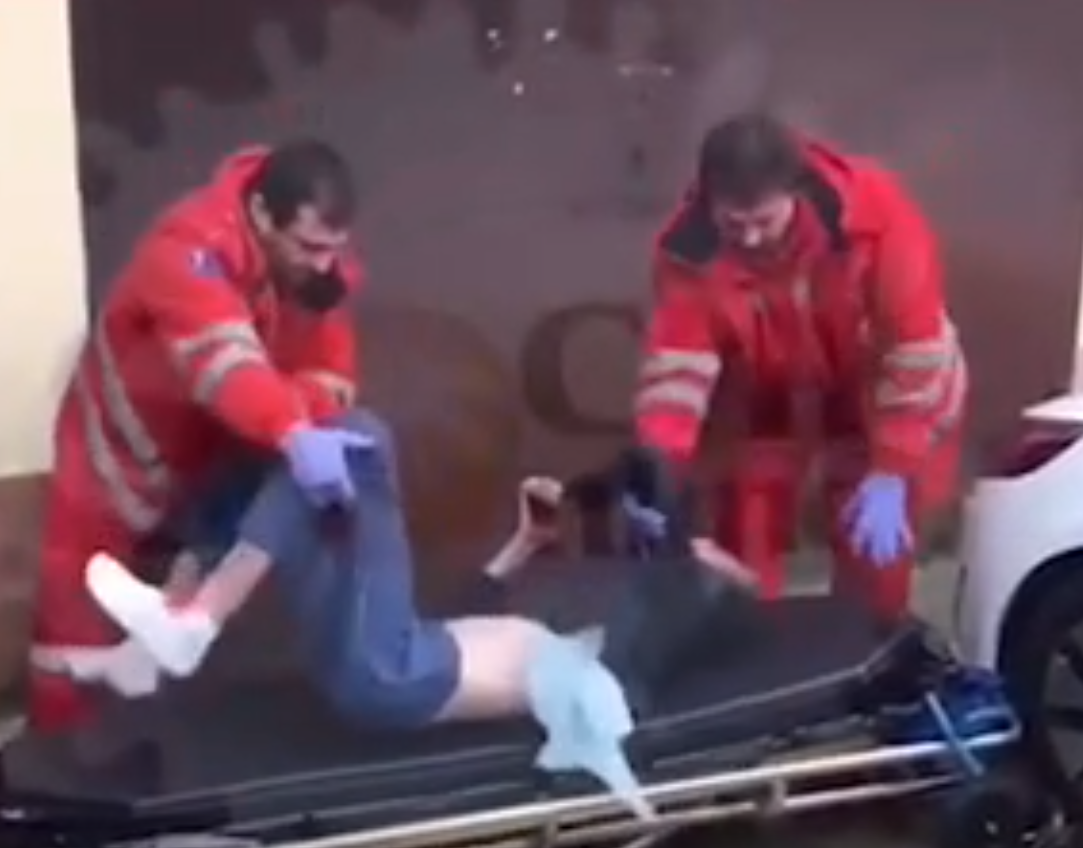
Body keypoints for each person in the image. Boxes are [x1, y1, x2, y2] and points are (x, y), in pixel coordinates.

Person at [84, 413, 753, 728]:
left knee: (360, 444)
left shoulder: (614, 663)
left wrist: (692, 552)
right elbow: (459, 623)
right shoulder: (575, 617)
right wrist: (523, 545)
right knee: (289, 462)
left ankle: (192, 624)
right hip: (393, 658)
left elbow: (728, 591)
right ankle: (168, 632)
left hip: (393, 675)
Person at [31, 139, 374, 732]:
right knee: (74, 619)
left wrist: (296, 419)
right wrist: (291, 426)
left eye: (333, 249)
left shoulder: (314, 265)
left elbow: (330, 373)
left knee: (286, 470)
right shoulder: (185, 250)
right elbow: (223, 365)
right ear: (262, 214)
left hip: (219, 444)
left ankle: (179, 619)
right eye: (310, 248)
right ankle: (60, 756)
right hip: (116, 456)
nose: (325, 266)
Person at [635, 112, 967, 619]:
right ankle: (746, 639)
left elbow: (914, 345)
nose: (749, 239)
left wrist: (894, 466)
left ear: (797, 192)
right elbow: (676, 370)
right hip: (763, 395)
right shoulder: (688, 252)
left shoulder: (875, 214)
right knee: (743, 525)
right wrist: (657, 473)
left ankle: (874, 638)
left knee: (874, 546)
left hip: (877, 393)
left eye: (764, 222)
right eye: (733, 225)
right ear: (707, 203)